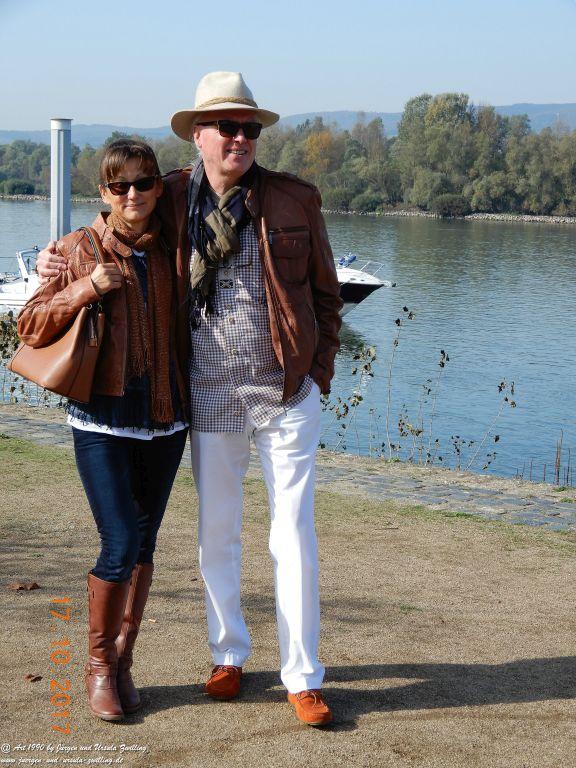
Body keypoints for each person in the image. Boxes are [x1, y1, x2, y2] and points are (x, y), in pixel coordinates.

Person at [36, 71, 342, 727]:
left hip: (286, 395)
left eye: (249, 128)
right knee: (216, 537)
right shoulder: (168, 194)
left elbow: (326, 294)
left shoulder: (294, 200)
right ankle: (228, 654)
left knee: (293, 536)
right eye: (226, 127)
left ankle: (302, 676)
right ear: (198, 135)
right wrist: (54, 260)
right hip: (204, 400)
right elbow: (116, 217)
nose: (239, 138)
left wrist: (317, 372)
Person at [21, 140, 189, 722]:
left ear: (158, 187)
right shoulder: (76, 248)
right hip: (101, 421)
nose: (133, 196)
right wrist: (85, 286)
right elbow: (29, 323)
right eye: (120, 187)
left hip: (166, 421)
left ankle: (123, 660)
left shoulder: (172, 245)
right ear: (103, 192)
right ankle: (97, 666)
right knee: (118, 543)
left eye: (144, 183)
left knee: (143, 547)